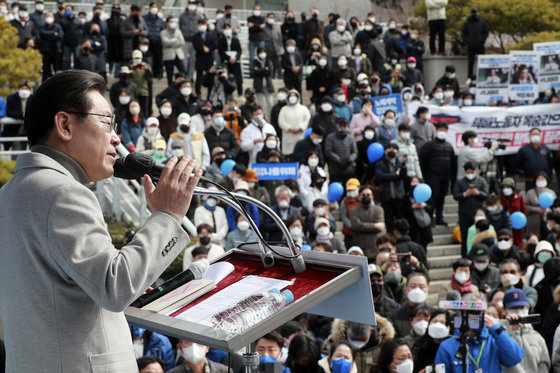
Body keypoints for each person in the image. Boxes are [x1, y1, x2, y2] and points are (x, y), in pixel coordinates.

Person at [0, 70, 202, 372]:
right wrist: (167, 217)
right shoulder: (63, 192)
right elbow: (115, 285)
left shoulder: (9, 194)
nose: (116, 138)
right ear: (65, 125)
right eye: (107, 122)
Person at [434, 305, 524, 373]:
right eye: (474, 312)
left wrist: (497, 329)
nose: (479, 316)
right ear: (461, 315)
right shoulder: (447, 346)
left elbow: (514, 359)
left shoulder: (494, 339)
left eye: (481, 312)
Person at [503, 288, 550, 372]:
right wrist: (510, 331)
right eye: (513, 308)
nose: (518, 311)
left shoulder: (536, 336)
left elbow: (544, 364)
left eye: (521, 307)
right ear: (504, 310)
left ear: (527, 308)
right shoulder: (499, 335)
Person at [454, 162, 489, 256]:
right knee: (465, 237)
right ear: (465, 171)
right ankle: (465, 256)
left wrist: (478, 193)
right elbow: (456, 196)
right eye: (468, 172)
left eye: (472, 172)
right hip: (464, 214)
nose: (470, 174)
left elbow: (486, 195)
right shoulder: (460, 182)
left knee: (481, 236)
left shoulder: (481, 181)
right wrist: (465, 194)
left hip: (479, 214)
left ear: (476, 171)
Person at [349, 186, 386, 259]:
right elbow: (356, 226)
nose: (366, 197)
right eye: (363, 195)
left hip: (374, 248)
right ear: (359, 196)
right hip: (359, 249)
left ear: (372, 196)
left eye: (368, 195)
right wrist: (374, 226)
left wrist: (363, 226)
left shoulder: (379, 210)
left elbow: (381, 227)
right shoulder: (353, 211)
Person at [278, 89, 310, 160]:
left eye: (294, 96)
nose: (293, 97)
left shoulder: (303, 108)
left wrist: (300, 128)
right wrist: (289, 128)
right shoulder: (284, 109)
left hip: (300, 136)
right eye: (291, 96)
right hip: (288, 137)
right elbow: (281, 122)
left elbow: (307, 120)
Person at [325, 118, 358, 184]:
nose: (342, 127)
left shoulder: (350, 138)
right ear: (337, 125)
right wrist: (339, 161)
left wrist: (349, 160)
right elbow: (328, 151)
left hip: (349, 170)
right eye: (340, 125)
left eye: (344, 125)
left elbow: (355, 152)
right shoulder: (330, 137)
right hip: (335, 170)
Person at [525, 172, 556, 236]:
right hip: (534, 221)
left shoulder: (552, 193)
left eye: (543, 179)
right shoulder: (530, 192)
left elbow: (556, 207)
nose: (540, 181)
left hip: (548, 221)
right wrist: (536, 209)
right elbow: (525, 206)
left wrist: (549, 210)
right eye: (539, 179)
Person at [462, 8, 489, 81]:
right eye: (473, 13)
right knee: (470, 63)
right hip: (471, 46)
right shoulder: (467, 23)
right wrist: (468, 41)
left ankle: (483, 76)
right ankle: (469, 77)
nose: (474, 14)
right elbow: (464, 34)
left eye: (476, 13)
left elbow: (486, 33)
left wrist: (482, 41)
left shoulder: (482, 22)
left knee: (482, 62)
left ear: (478, 13)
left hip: (480, 45)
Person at [500, 177, 527, 248]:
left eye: (508, 187)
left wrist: (524, 223)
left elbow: (523, 210)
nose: (505, 189)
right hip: (504, 225)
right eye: (504, 187)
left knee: (518, 243)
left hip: (517, 225)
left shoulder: (519, 197)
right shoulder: (499, 198)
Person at [218, 24, 243, 96]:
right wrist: (229, 58)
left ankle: (240, 94)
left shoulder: (236, 40)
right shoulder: (221, 40)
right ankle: (227, 94)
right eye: (225, 29)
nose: (227, 30)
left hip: (235, 61)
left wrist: (236, 58)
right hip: (226, 61)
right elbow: (221, 51)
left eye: (228, 28)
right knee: (226, 77)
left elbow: (239, 50)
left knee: (238, 78)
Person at [160, 16, 186, 87]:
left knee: (182, 70)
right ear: (167, 23)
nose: (172, 23)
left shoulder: (178, 31)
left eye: (173, 22)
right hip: (168, 56)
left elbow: (182, 42)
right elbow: (166, 42)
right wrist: (175, 39)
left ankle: (182, 85)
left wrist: (170, 45)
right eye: (171, 22)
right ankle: (170, 88)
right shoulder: (163, 32)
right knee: (169, 74)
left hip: (178, 54)